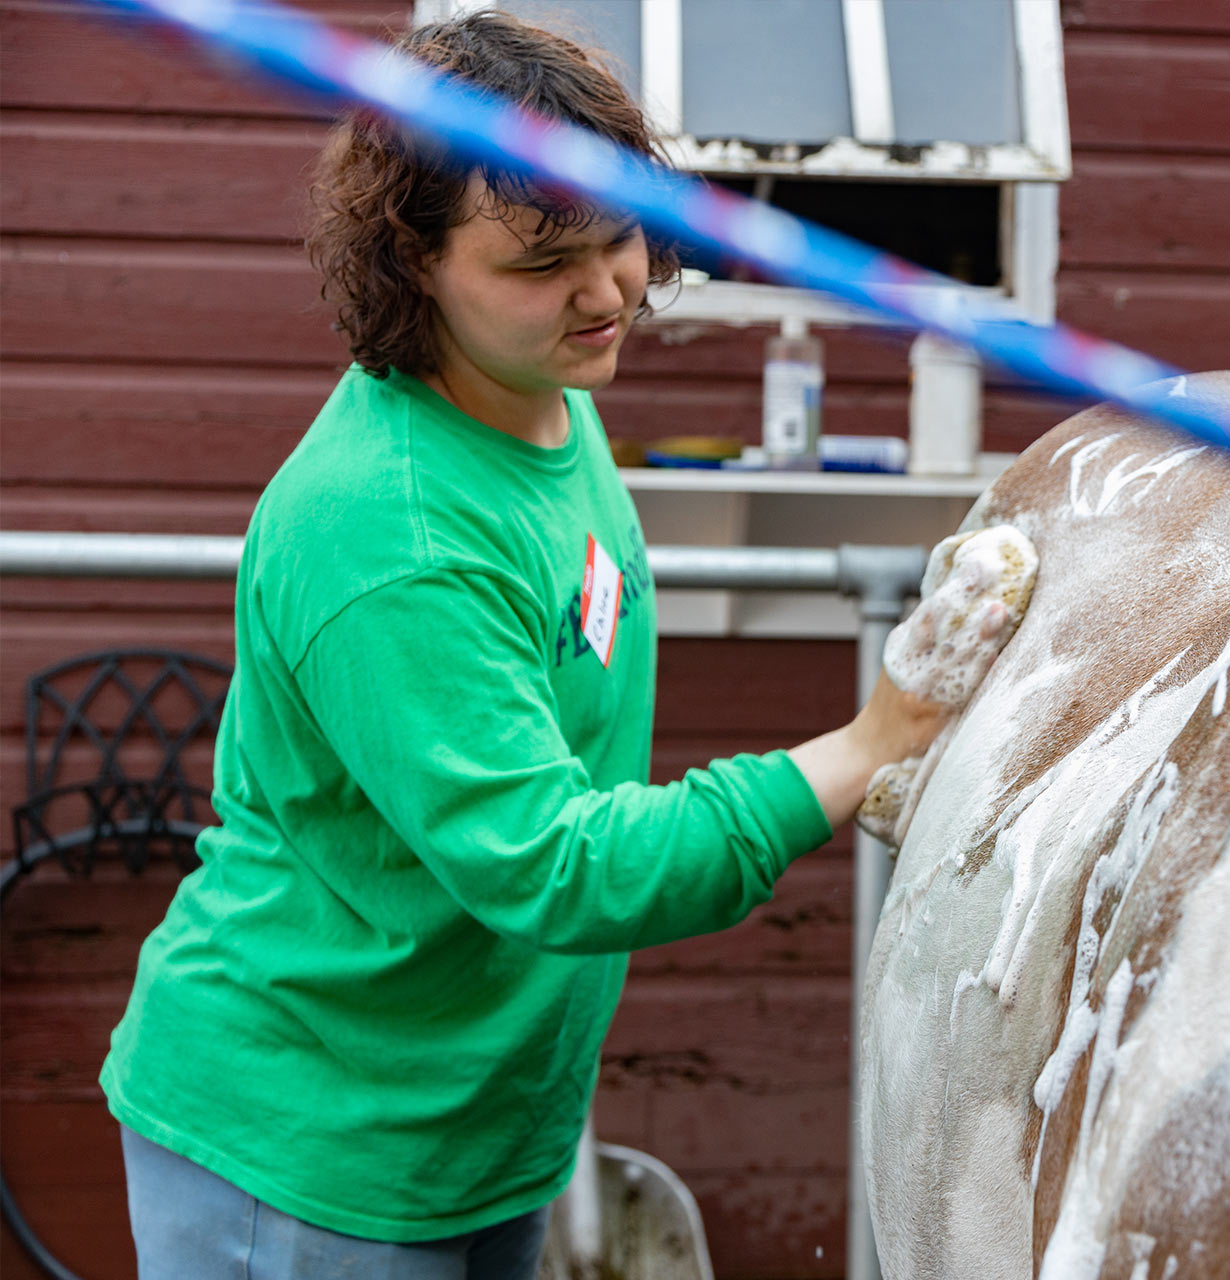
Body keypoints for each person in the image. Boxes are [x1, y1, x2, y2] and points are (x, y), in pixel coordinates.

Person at [99, 12, 978, 1277]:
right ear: (414, 264)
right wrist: (868, 744)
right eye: (542, 262)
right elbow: (556, 865)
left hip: (477, 1127)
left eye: (618, 233)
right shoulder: (392, 529)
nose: (609, 290)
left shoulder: (541, 399)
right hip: (310, 1154)